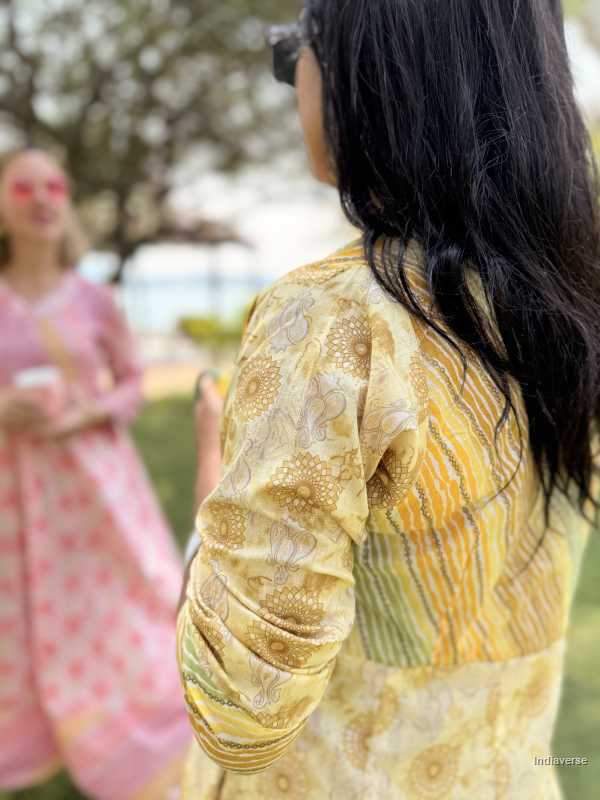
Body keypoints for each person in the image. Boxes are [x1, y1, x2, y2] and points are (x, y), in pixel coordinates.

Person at [177, 1, 600, 798]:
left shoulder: (335, 320)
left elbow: (241, 709)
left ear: (371, 68)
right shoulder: (571, 307)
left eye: (295, 49)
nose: (293, 73)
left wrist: (212, 484)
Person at [0, 149, 191, 800]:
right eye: (23, 187)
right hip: (14, 488)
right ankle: (33, 731)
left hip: (96, 486)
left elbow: (134, 383)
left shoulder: (93, 298)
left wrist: (87, 411)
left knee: (124, 599)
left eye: (54, 185)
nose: (42, 198)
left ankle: (122, 720)